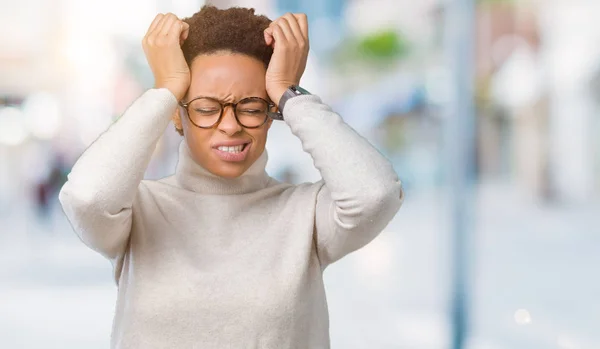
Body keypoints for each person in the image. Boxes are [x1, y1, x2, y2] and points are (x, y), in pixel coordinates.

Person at [58, 5, 403, 349]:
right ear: (176, 116)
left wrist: (289, 93)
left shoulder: (306, 214)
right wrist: (164, 91)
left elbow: (375, 194)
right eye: (206, 108)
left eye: (252, 107)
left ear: (273, 114)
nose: (230, 125)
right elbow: (87, 197)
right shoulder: (136, 211)